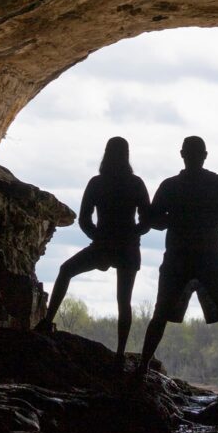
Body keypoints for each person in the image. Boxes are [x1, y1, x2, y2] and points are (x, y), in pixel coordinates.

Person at [136, 136, 218, 379]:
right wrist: (206, 219)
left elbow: (152, 220)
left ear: (182, 154)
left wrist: (177, 219)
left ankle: (142, 367)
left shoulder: (170, 186)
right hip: (210, 257)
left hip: (178, 258)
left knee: (161, 314)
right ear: (205, 155)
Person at [34, 137, 150, 366]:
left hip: (102, 244)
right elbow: (146, 221)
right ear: (127, 155)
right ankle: (120, 353)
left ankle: (47, 321)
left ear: (106, 153)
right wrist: (131, 234)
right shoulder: (135, 183)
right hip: (127, 248)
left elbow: (85, 219)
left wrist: (98, 237)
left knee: (65, 270)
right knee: (123, 301)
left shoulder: (97, 183)